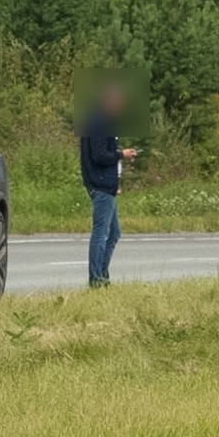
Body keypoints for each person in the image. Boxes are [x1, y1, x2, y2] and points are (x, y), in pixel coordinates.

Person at [80, 82, 138, 287]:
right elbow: (99, 155)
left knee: (114, 232)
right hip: (100, 184)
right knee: (101, 233)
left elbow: (105, 151)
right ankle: (96, 278)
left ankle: (102, 275)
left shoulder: (103, 120)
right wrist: (122, 154)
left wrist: (116, 181)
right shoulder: (99, 121)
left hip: (108, 184)